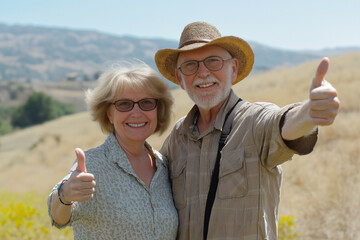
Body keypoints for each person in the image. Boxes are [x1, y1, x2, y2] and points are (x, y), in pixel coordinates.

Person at [154, 22, 340, 239]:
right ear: (180, 78)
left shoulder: (253, 120)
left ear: (232, 69)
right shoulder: (177, 137)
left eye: (213, 61)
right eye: (190, 65)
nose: (203, 73)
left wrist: (308, 114)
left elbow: (280, 124)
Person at [47, 62, 178, 240]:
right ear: (109, 113)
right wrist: (65, 194)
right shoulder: (92, 164)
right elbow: (58, 217)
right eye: (124, 104)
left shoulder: (164, 165)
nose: (137, 113)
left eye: (147, 103)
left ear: (157, 110)